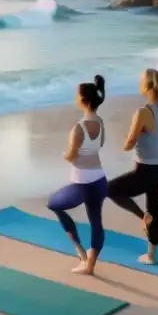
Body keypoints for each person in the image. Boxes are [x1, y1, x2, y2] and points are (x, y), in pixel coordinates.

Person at [107, 68, 158, 265]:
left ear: (147, 86)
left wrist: (128, 140)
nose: (138, 82)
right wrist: (156, 137)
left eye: (140, 80)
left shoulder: (142, 112)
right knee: (154, 206)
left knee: (111, 189)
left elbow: (129, 143)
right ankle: (150, 255)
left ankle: (143, 216)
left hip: (147, 171)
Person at [47, 74, 109, 275]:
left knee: (53, 204)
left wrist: (64, 154)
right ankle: (89, 265)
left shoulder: (79, 127)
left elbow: (71, 155)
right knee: (96, 222)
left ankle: (80, 252)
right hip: (99, 179)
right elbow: (99, 145)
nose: (74, 98)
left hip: (82, 183)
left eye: (76, 95)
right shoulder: (100, 122)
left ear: (83, 100)